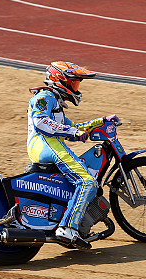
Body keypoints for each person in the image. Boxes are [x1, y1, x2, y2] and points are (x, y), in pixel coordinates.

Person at [26, 61, 118, 249]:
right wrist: (72, 133)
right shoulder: (44, 97)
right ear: (61, 81)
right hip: (44, 144)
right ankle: (67, 229)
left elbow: (73, 127)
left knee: (84, 179)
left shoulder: (56, 103)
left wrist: (99, 122)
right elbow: (41, 123)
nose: (76, 88)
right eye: (74, 83)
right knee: (87, 182)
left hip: (50, 144)